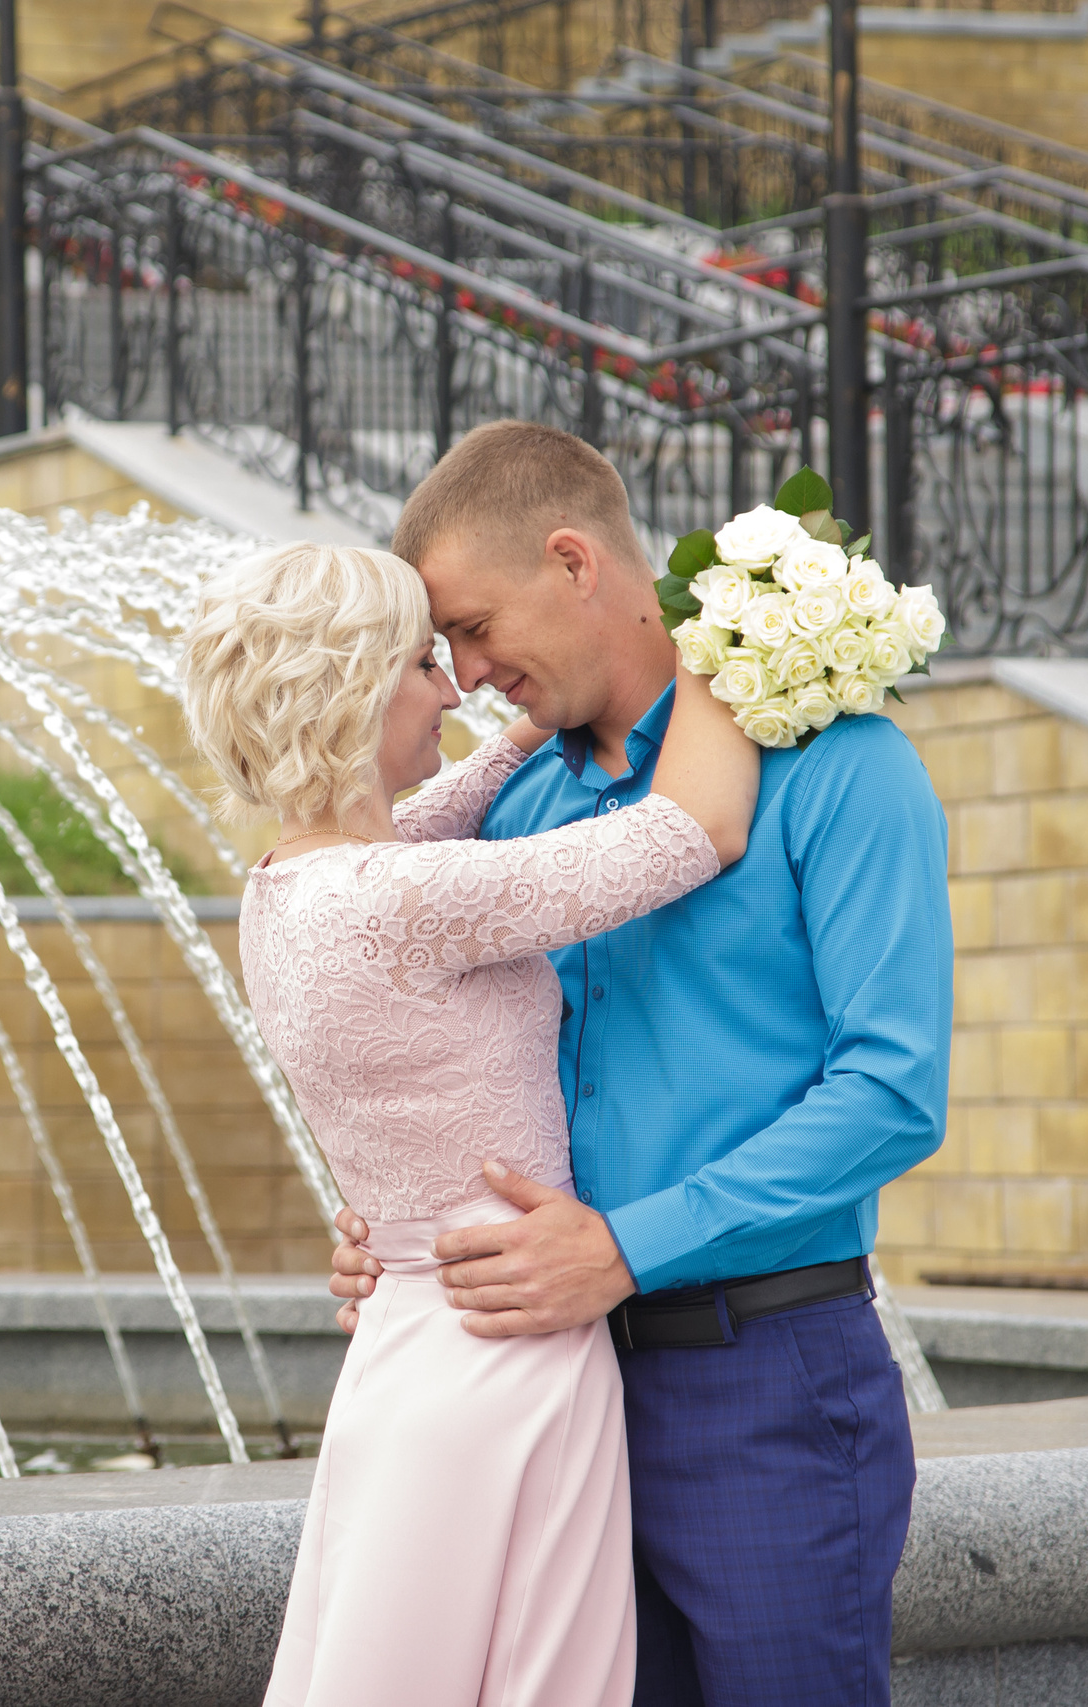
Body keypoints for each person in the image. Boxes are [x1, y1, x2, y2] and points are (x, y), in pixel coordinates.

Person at [326, 421, 953, 1707]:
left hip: (768, 1388)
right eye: (443, 649)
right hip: (559, 1396)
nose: (467, 673)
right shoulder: (517, 814)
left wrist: (625, 1245)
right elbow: (461, 1064)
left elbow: (891, 1093)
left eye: (477, 626)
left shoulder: (842, 769)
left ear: (573, 561)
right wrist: (389, 1224)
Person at [181, 540, 762, 1707]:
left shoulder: (289, 885)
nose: (454, 686)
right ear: (349, 691)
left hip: (411, 1337)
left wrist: (522, 720)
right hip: (507, 1349)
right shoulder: (399, 898)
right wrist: (741, 631)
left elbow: (461, 789)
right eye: (419, 665)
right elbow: (692, 829)